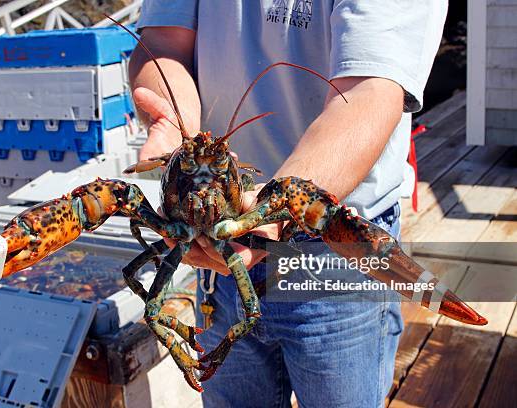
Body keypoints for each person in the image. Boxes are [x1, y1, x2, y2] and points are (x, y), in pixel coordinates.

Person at [128, 1, 447, 406]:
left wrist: (277, 206)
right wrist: (172, 121)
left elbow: (371, 88)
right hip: (215, 261)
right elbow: (161, 43)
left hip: (336, 241)